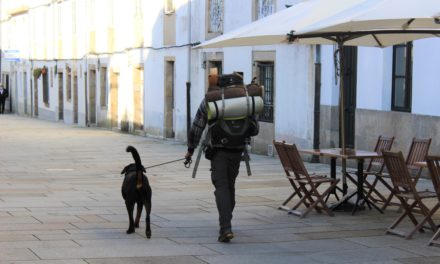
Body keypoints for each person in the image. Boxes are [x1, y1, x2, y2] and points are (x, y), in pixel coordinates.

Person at [185, 71, 260, 243]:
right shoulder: (247, 100)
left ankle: (225, 227)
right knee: (230, 185)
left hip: (218, 150)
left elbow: (197, 126)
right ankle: (227, 220)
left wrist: (190, 149)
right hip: (237, 150)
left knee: (222, 187)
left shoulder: (211, 100)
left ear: (220, 85)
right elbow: (255, 129)